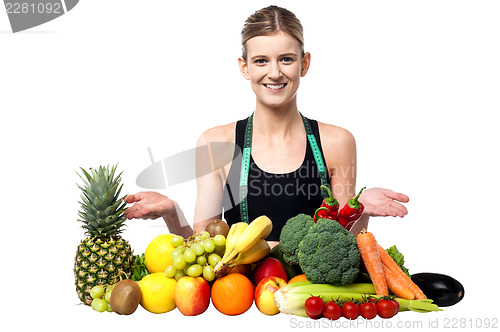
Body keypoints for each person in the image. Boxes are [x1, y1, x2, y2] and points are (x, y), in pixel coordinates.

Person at [124, 5, 409, 246]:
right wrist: (172, 213)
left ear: (304, 64)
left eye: (286, 59)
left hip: (310, 306)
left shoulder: (336, 142)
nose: (274, 73)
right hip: (240, 304)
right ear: (245, 67)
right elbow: (203, 249)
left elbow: (346, 246)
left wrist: (361, 210)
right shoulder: (215, 143)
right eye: (261, 61)